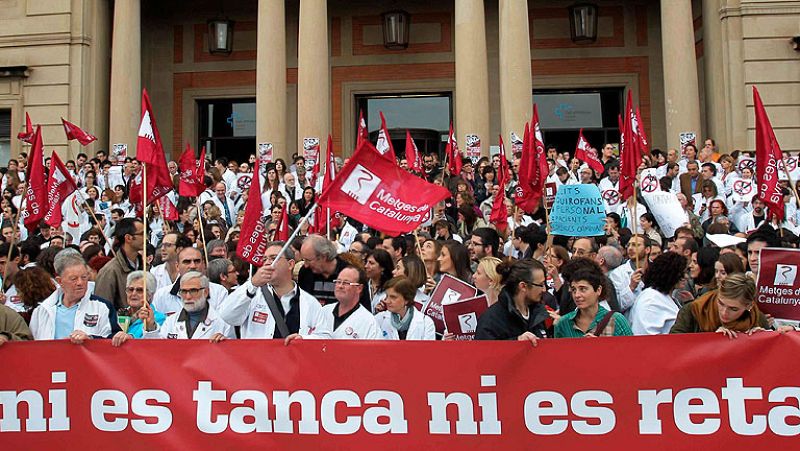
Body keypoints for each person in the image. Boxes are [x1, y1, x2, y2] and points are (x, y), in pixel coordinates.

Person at [222, 242, 330, 339]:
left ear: (290, 264)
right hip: (259, 360)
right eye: (264, 259)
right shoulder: (252, 295)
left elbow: (325, 336)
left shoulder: (310, 302)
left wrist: (304, 339)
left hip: (292, 360)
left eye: (274, 258)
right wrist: (252, 284)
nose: (268, 263)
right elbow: (227, 316)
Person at [30, 251, 120, 341]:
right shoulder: (42, 311)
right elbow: (32, 347)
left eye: (84, 277)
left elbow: (112, 341)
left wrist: (90, 339)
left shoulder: (102, 307)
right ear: (60, 281)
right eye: (74, 279)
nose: (80, 283)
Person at [669, 274, 786, 335]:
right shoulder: (693, 310)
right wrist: (710, 340)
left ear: (748, 306)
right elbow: (674, 347)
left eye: (733, 309)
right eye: (720, 303)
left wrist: (762, 340)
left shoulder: (757, 318)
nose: (724, 312)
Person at [142, 271, 234, 341]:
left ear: (205, 292)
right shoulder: (171, 321)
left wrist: (225, 344)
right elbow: (158, 350)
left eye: (193, 291)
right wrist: (151, 328)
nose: (188, 296)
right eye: (184, 291)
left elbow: (232, 355)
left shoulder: (223, 323)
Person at [475, 259, 549, 343]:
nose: (544, 290)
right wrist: (516, 342)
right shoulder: (491, 320)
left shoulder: (538, 313)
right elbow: (483, 352)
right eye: (541, 285)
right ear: (523, 286)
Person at [554, 268, 632, 338]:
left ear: (598, 290)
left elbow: (632, 351)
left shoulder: (616, 320)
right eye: (574, 290)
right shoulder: (563, 324)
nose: (577, 295)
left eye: (583, 289)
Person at [151, 247, 228, 316]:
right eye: (187, 262)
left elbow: (223, 326)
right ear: (177, 266)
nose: (193, 266)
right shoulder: (161, 295)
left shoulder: (219, 292)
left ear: (204, 264)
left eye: (197, 261)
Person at [298, 234, 369, 308]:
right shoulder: (305, 272)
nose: (306, 265)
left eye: (308, 260)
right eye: (304, 260)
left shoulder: (353, 274)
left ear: (324, 256)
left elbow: (364, 309)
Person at [629, 252, 687, 335]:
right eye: (682, 273)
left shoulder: (665, 296)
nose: (686, 277)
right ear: (670, 273)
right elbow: (644, 337)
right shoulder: (650, 301)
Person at [314, 265, 378, 340]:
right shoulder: (324, 312)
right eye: (338, 282)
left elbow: (374, 350)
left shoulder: (369, 322)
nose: (340, 286)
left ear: (359, 288)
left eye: (346, 283)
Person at [94, 218, 144, 309]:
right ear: (128, 238)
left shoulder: (144, 266)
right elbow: (102, 309)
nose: (146, 238)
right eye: (142, 234)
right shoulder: (110, 271)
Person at [111, 271, 166, 345]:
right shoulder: (118, 315)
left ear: (150, 295)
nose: (133, 293)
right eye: (130, 289)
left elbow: (154, 345)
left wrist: (131, 339)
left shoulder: (160, 319)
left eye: (139, 290)